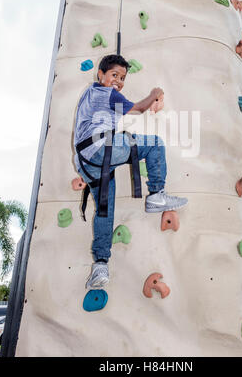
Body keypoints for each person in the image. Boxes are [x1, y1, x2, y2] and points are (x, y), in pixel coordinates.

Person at [73, 54, 188, 288]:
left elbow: (123, 113)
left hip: (88, 163)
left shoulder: (90, 95)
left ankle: (100, 265)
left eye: (123, 77)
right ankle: (156, 195)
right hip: (100, 149)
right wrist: (155, 93)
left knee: (104, 211)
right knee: (154, 144)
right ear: (100, 75)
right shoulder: (106, 93)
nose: (118, 81)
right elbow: (137, 110)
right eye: (114, 75)